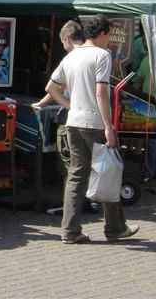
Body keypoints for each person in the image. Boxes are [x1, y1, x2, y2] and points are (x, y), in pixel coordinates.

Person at [46, 14, 138, 244]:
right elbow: (101, 92)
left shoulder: (72, 56)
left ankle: (70, 230)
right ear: (104, 33)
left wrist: (69, 105)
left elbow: (51, 87)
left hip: (73, 122)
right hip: (94, 123)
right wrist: (109, 126)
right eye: (109, 36)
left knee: (76, 176)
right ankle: (114, 228)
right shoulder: (102, 55)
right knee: (108, 171)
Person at [32, 20, 85, 175]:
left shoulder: (70, 59)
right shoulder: (97, 55)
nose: (63, 46)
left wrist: (69, 105)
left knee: (70, 167)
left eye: (62, 42)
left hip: (71, 119)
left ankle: (74, 199)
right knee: (85, 164)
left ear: (67, 38)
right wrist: (42, 103)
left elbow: (52, 87)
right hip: (91, 121)